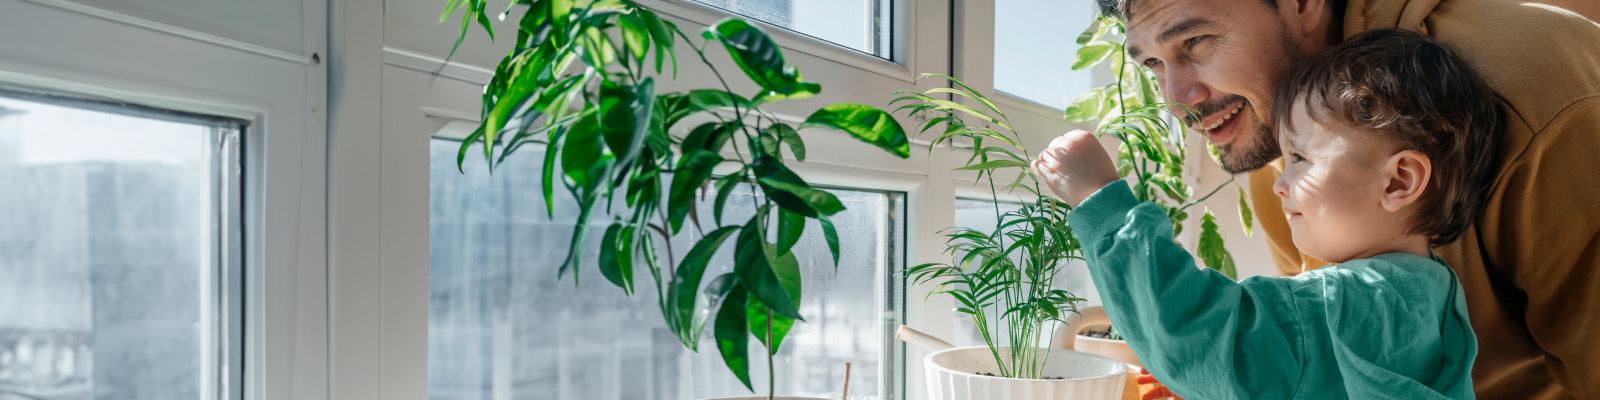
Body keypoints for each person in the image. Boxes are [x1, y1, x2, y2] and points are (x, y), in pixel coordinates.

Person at [1080, 0, 1600, 398]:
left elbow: (1219, 346)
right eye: (1151, 64)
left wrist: (1102, 205)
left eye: (1195, 40)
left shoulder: (1546, 100)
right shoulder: (1278, 135)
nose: (1175, 100)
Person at [1030, 29, 1494, 399]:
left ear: (1399, 182)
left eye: (1301, 160)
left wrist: (1100, 201)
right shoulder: (1432, 295)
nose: (1279, 183)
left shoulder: (1351, 304)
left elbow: (1199, 336)